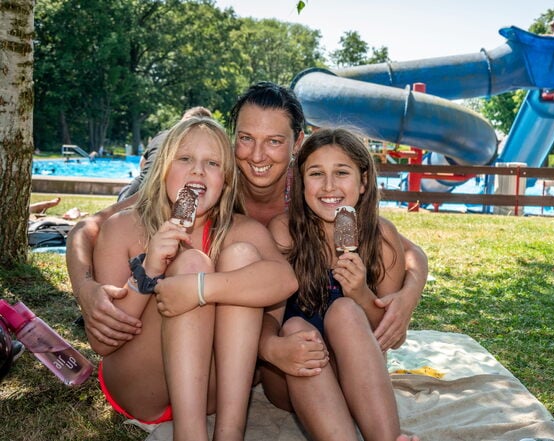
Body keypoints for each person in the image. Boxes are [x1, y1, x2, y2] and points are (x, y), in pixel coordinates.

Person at [66, 82, 426, 381]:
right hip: (200, 334)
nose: (257, 155)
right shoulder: (210, 183)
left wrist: (408, 296)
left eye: (274, 141)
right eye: (246, 138)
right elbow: (87, 228)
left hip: (277, 339)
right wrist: (85, 288)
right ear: (232, 137)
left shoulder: (312, 194)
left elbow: (411, 253)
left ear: (297, 143)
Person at [91, 115, 297, 441]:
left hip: (211, 391)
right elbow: (102, 342)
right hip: (140, 383)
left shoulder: (240, 230)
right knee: (192, 264)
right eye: (185, 159)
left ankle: (230, 432)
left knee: (241, 260)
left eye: (212, 163)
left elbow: (285, 280)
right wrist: (151, 269)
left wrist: (200, 289)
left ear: (226, 181)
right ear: (163, 171)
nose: (198, 170)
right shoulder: (123, 228)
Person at [259, 127, 418, 441]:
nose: (329, 186)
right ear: (302, 183)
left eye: (341, 173)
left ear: (362, 182)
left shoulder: (382, 237)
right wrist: (276, 348)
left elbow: (388, 337)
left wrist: (360, 293)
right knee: (295, 330)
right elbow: (266, 319)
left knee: (345, 309)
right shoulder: (284, 232)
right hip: (292, 375)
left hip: (356, 381)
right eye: (316, 173)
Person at [117, 106, 213, 202]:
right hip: (151, 200)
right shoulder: (195, 145)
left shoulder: (161, 135)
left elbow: (142, 163)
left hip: (132, 191)